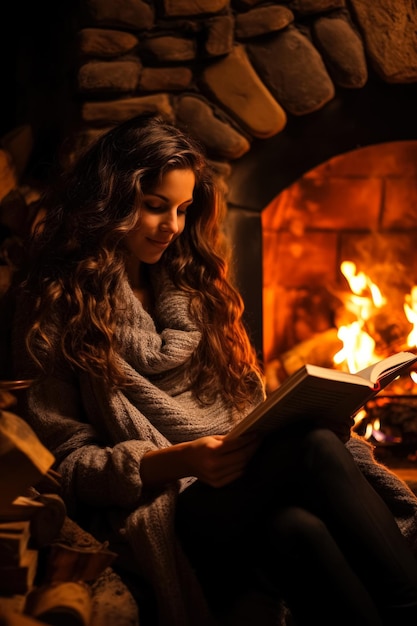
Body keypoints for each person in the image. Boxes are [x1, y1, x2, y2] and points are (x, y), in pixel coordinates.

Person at [11, 114, 417, 626]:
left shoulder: (194, 291)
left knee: (297, 530)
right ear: (109, 201)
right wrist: (177, 461)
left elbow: (244, 407)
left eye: (183, 210)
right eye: (154, 207)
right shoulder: (55, 301)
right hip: (166, 500)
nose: (173, 227)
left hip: (240, 484)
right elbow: (60, 465)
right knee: (312, 448)